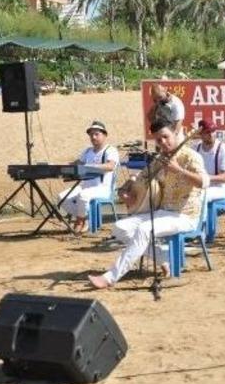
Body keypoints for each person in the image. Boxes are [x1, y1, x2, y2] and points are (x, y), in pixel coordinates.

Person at [88, 119, 208, 289]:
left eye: (166, 137)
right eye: (158, 140)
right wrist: (126, 188)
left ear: (175, 133)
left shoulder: (191, 157)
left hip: (184, 215)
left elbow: (204, 182)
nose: (163, 142)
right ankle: (164, 259)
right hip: (162, 212)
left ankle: (110, 277)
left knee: (144, 229)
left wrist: (179, 170)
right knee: (120, 228)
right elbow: (142, 177)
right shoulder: (160, 159)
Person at [58, 121, 120, 234]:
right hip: (85, 186)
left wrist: (90, 166)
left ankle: (79, 222)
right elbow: (77, 163)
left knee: (83, 195)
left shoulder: (110, 150)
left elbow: (110, 166)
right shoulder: (87, 151)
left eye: (96, 134)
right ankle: (85, 218)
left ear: (104, 135)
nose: (93, 137)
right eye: (91, 135)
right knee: (62, 197)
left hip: (103, 188)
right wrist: (60, 166)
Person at [192, 119, 225, 203]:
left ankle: (203, 213)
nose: (211, 135)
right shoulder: (195, 148)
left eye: (213, 131)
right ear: (201, 134)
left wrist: (206, 178)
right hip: (201, 186)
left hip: (220, 188)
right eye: (207, 132)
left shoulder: (224, 149)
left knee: (201, 195)